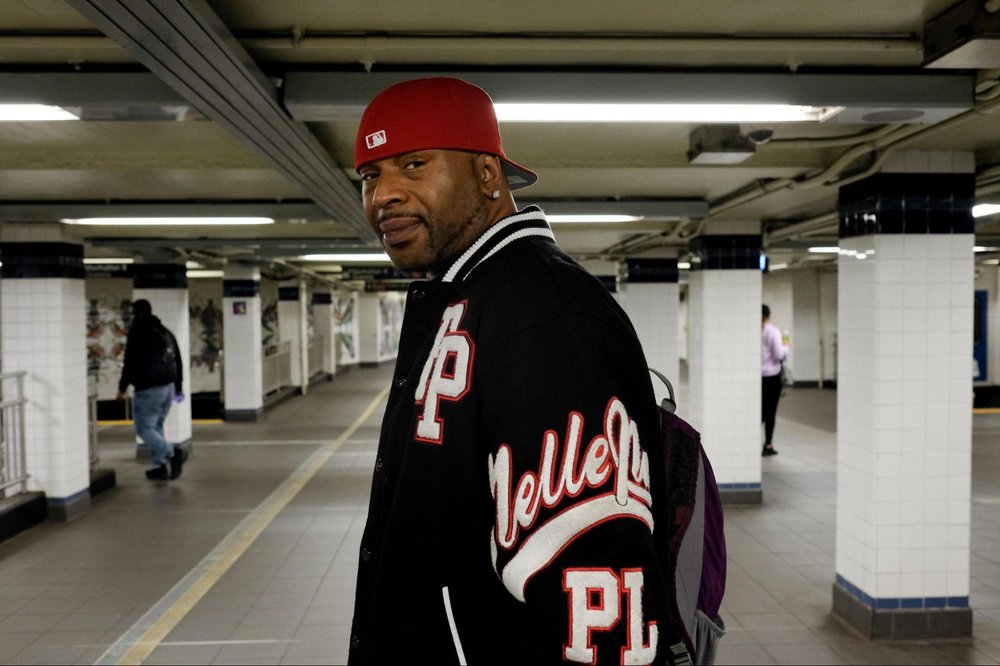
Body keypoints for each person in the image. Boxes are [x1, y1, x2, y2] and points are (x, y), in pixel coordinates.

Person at [348, 76, 675, 665]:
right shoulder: (468, 300)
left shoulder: (549, 315)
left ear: (487, 176)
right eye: (371, 176)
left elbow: (601, 595)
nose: (383, 196)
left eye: (413, 165)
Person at [116, 299, 188, 480]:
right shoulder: (165, 332)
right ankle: (160, 465)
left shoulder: (138, 333)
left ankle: (172, 453)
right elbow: (178, 361)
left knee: (144, 428)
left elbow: (130, 362)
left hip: (149, 389)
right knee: (156, 426)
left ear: (135, 313)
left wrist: (122, 388)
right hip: (168, 388)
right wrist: (178, 388)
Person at [760, 304, 789, 457]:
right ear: (768, 316)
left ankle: (750, 440)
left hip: (758, 378)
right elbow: (779, 355)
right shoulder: (773, 331)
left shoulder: (755, 331)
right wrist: (786, 346)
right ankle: (768, 444)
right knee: (770, 413)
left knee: (761, 411)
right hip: (772, 377)